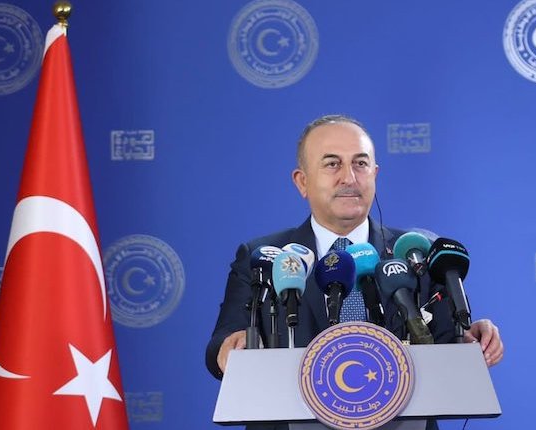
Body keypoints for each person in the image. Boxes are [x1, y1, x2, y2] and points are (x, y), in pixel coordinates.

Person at [206, 114, 504, 429]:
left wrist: (470, 341)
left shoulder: (416, 254)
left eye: (360, 164)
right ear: (302, 181)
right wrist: (229, 349)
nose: (349, 178)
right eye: (332, 164)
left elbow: (447, 342)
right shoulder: (265, 257)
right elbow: (220, 345)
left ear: (375, 174)